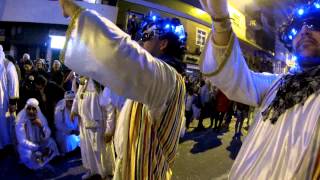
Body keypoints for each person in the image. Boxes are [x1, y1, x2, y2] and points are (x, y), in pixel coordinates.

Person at [59, 0, 186, 179]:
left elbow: (123, 53)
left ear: (163, 43)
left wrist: (73, 9)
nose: (141, 43)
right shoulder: (157, 81)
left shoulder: (167, 79)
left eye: (147, 37)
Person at [200, 0, 320, 179]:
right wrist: (221, 21)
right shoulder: (276, 83)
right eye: (298, 28)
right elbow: (235, 78)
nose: (304, 31)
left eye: (315, 25)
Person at [71, 78, 116, 179]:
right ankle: (91, 170)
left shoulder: (100, 84)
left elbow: (110, 109)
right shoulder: (83, 82)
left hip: (98, 126)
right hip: (84, 123)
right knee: (87, 150)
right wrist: (74, 109)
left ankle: (104, 174)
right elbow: (78, 97)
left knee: (99, 152)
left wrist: (109, 129)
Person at [15, 98, 59, 170]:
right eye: (29, 109)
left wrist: (41, 126)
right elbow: (22, 141)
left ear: (37, 110)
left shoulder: (40, 118)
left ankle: (40, 160)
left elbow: (48, 135)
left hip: (39, 143)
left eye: (33, 109)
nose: (31, 111)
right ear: (26, 109)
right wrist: (37, 148)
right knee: (26, 154)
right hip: (28, 146)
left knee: (51, 143)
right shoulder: (20, 120)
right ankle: (38, 162)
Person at [0, 45, 19, 150]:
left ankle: (7, 145)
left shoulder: (8, 65)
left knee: (6, 124)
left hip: (5, 103)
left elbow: (13, 84)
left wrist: (13, 102)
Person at [54, 91, 80, 155]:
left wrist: (78, 130)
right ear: (66, 101)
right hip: (65, 133)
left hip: (77, 132)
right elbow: (58, 125)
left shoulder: (78, 107)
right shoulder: (59, 109)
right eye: (70, 101)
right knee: (68, 142)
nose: (72, 104)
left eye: (73, 101)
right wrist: (71, 131)